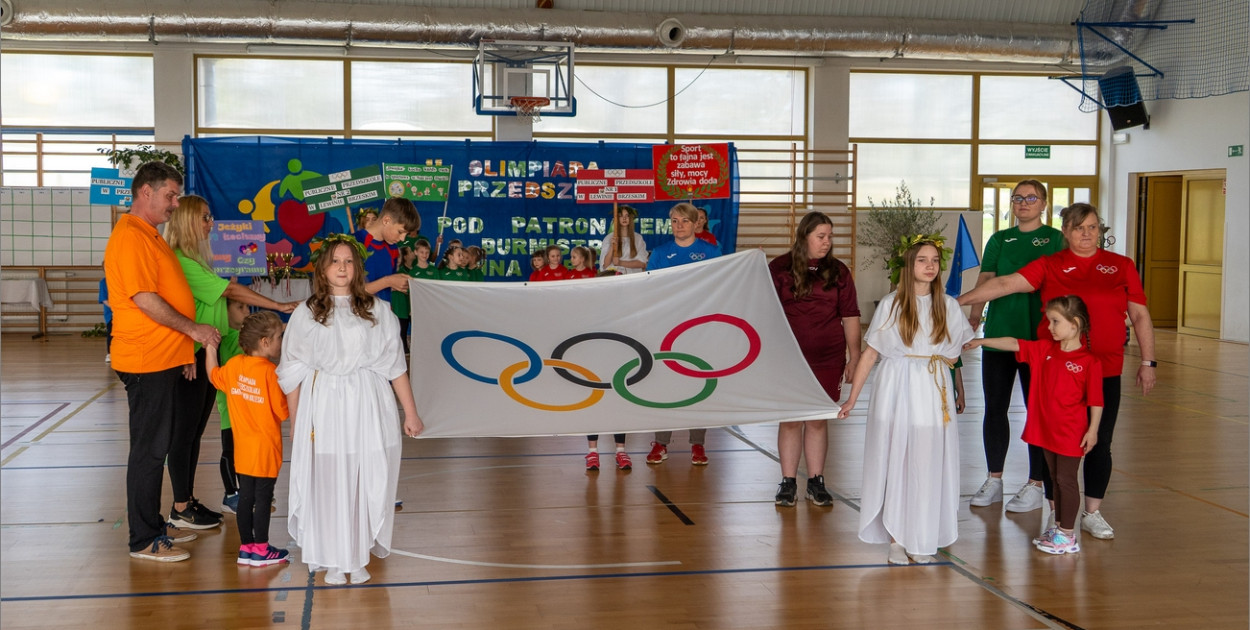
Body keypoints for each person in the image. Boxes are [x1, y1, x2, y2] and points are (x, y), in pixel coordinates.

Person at [958, 202, 1156, 540]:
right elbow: (1005, 284)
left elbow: (1139, 315)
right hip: (1057, 373)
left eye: (1093, 227)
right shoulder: (1050, 264)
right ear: (1065, 232)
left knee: (1099, 441)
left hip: (1104, 368)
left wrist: (1148, 361)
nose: (1087, 234)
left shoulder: (1120, 266)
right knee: (1054, 443)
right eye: (1079, 228)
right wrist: (957, 302)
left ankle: (1092, 513)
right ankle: (1057, 513)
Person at [277, 234, 423, 586]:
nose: (342, 267)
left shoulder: (377, 310)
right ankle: (330, 556)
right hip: (323, 402)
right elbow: (293, 371)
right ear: (323, 269)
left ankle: (356, 556)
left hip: (367, 402)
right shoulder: (306, 313)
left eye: (348, 261)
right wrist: (297, 423)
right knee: (328, 476)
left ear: (357, 268)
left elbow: (394, 367)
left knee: (362, 474)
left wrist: (411, 412)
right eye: (335, 261)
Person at [105, 161, 221, 562]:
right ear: (145, 192)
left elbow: (168, 294)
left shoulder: (148, 235)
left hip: (164, 357)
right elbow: (145, 300)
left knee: (159, 445)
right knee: (150, 450)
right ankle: (143, 538)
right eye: (170, 195)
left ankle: (156, 525)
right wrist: (193, 331)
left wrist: (183, 351)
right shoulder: (130, 238)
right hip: (144, 360)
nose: (175, 203)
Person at [163, 195, 299, 529]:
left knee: (194, 433)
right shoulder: (181, 260)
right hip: (191, 356)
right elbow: (228, 294)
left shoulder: (197, 261)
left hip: (206, 350)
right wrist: (278, 306)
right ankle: (180, 506)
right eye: (205, 217)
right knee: (183, 434)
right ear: (188, 222)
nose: (211, 223)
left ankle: (187, 502)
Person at [838, 235, 974, 564]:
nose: (929, 266)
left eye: (934, 261)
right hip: (897, 388)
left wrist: (958, 386)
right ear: (909, 266)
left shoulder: (949, 305)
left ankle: (921, 537)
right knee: (897, 459)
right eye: (921, 260)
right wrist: (852, 398)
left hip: (933, 390)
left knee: (928, 463)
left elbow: (952, 356)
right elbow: (871, 355)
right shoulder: (893, 304)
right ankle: (897, 538)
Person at [965, 295, 1103, 555]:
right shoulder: (1045, 350)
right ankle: (1059, 527)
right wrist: (982, 340)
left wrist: (1092, 430)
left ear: (1074, 324)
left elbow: (1096, 400)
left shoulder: (1089, 362)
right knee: (1054, 479)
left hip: (1071, 432)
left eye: (1055, 321)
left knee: (1066, 480)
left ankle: (1067, 536)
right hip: (1046, 430)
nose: (1049, 327)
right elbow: (1015, 343)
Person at [965, 180, 1065, 513]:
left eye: (1031, 198)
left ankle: (1036, 483)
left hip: (1038, 340)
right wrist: (973, 316)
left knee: (1038, 412)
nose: (1023, 203)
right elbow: (986, 280)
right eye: (1017, 198)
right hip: (998, 337)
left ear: (1044, 203)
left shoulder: (1055, 240)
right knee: (995, 409)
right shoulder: (999, 239)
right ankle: (994, 479)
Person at [767, 211, 861, 507]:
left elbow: (850, 316)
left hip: (828, 357)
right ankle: (788, 481)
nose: (827, 242)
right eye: (821, 236)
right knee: (792, 420)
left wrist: (854, 357)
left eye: (830, 237)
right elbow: (764, 309)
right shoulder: (779, 267)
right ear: (804, 236)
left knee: (819, 421)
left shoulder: (839, 271)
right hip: (789, 359)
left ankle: (816, 481)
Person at [206, 310, 292, 567]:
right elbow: (283, 412)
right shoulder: (270, 373)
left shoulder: (233, 366)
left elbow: (213, 375)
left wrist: (210, 348)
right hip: (265, 450)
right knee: (263, 499)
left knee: (246, 498)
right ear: (265, 342)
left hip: (242, 450)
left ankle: (246, 548)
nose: (281, 341)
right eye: (279, 337)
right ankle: (262, 549)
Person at [645, 202, 723, 466]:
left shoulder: (710, 252)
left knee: (697, 384)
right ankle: (660, 442)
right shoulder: (660, 253)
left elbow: (720, 285)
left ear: (696, 224)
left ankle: (698, 444)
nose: (679, 226)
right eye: (675, 221)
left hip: (698, 330)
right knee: (664, 386)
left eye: (685, 221)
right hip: (667, 327)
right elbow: (650, 289)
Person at [216, 298, 251, 514]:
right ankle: (230, 495)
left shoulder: (242, 337)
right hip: (231, 407)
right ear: (225, 312)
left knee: (244, 451)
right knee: (230, 451)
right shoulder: (228, 338)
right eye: (240, 307)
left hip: (247, 406)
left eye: (246, 306)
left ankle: (245, 492)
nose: (246, 311)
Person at [353, 197, 421, 302]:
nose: (402, 239)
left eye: (406, 234)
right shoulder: (355, 242)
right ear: (386, 220)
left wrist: (398, 284)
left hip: (384, 314)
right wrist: (388, 281)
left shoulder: (393, 248)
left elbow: (384, 289)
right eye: (400, 232)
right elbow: (349, 291)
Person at [600, 205, 649, 274]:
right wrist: (612, 247)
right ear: (616, 219)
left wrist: (620, 262)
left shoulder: (638, 238)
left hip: (633, 277)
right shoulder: (609, 238)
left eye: (627, 215)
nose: (624, 218)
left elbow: (642, 263)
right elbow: (604, 265)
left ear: (631, 218)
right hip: (615, 277)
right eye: (620, 216)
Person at [99, 276, 113, 363]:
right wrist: (115, 308)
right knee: (111, 332)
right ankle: (110, 353)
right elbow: (104, 299)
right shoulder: (104, 282)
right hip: (111, 313)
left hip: (124, 312)